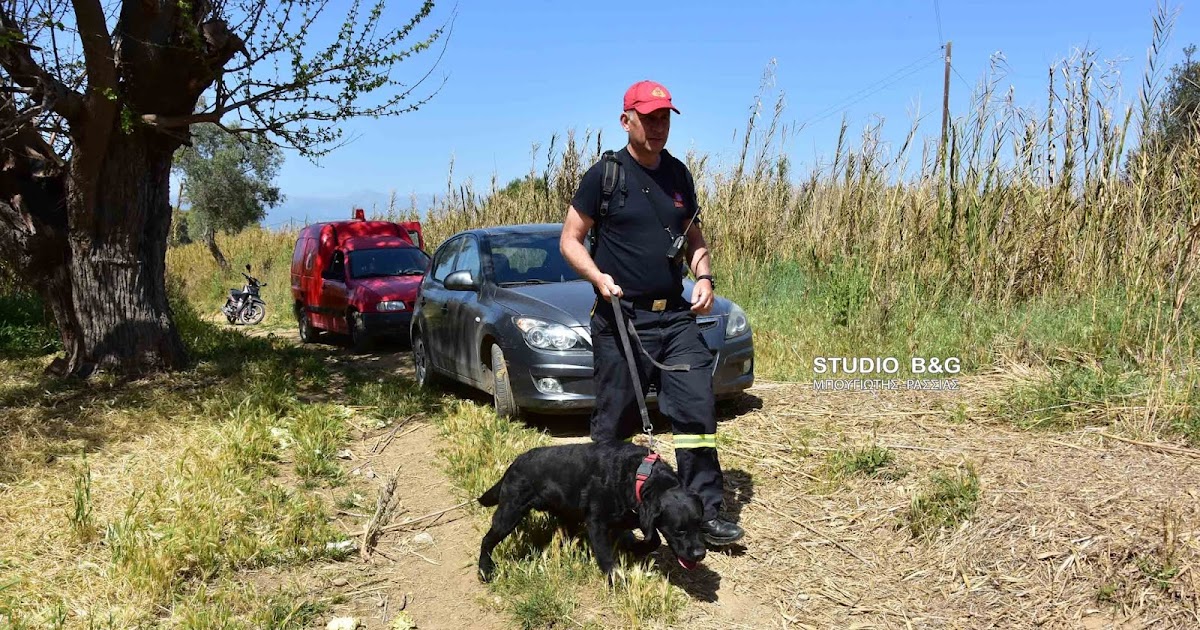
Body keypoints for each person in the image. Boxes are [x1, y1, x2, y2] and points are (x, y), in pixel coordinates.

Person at [559, 80, 744, 546]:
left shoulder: (679, 175)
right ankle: (607, 511)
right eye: (649, 118)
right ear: (627, 121)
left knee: (697, 409)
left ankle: (705, 508)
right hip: (622, 318)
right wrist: (598, 278)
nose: (659, 126)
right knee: (615, 421)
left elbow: (694, 239)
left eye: (664, 118)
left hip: (676, 318)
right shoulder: (605, 176)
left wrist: (703, 278)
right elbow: (569, 241)